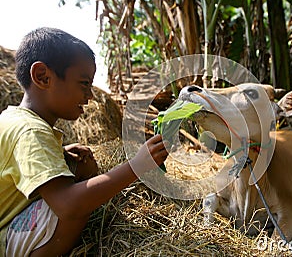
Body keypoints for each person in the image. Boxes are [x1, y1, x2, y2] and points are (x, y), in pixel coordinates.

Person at [0, 27, 168, 256]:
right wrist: (136, 166)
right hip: (5, 238)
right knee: (74, 205)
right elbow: (68, 206)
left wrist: (60, 154)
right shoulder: (31, 131)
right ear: (42, 77)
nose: (90, 95)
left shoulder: (15, 118)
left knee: (81, 166)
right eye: (83, 83)